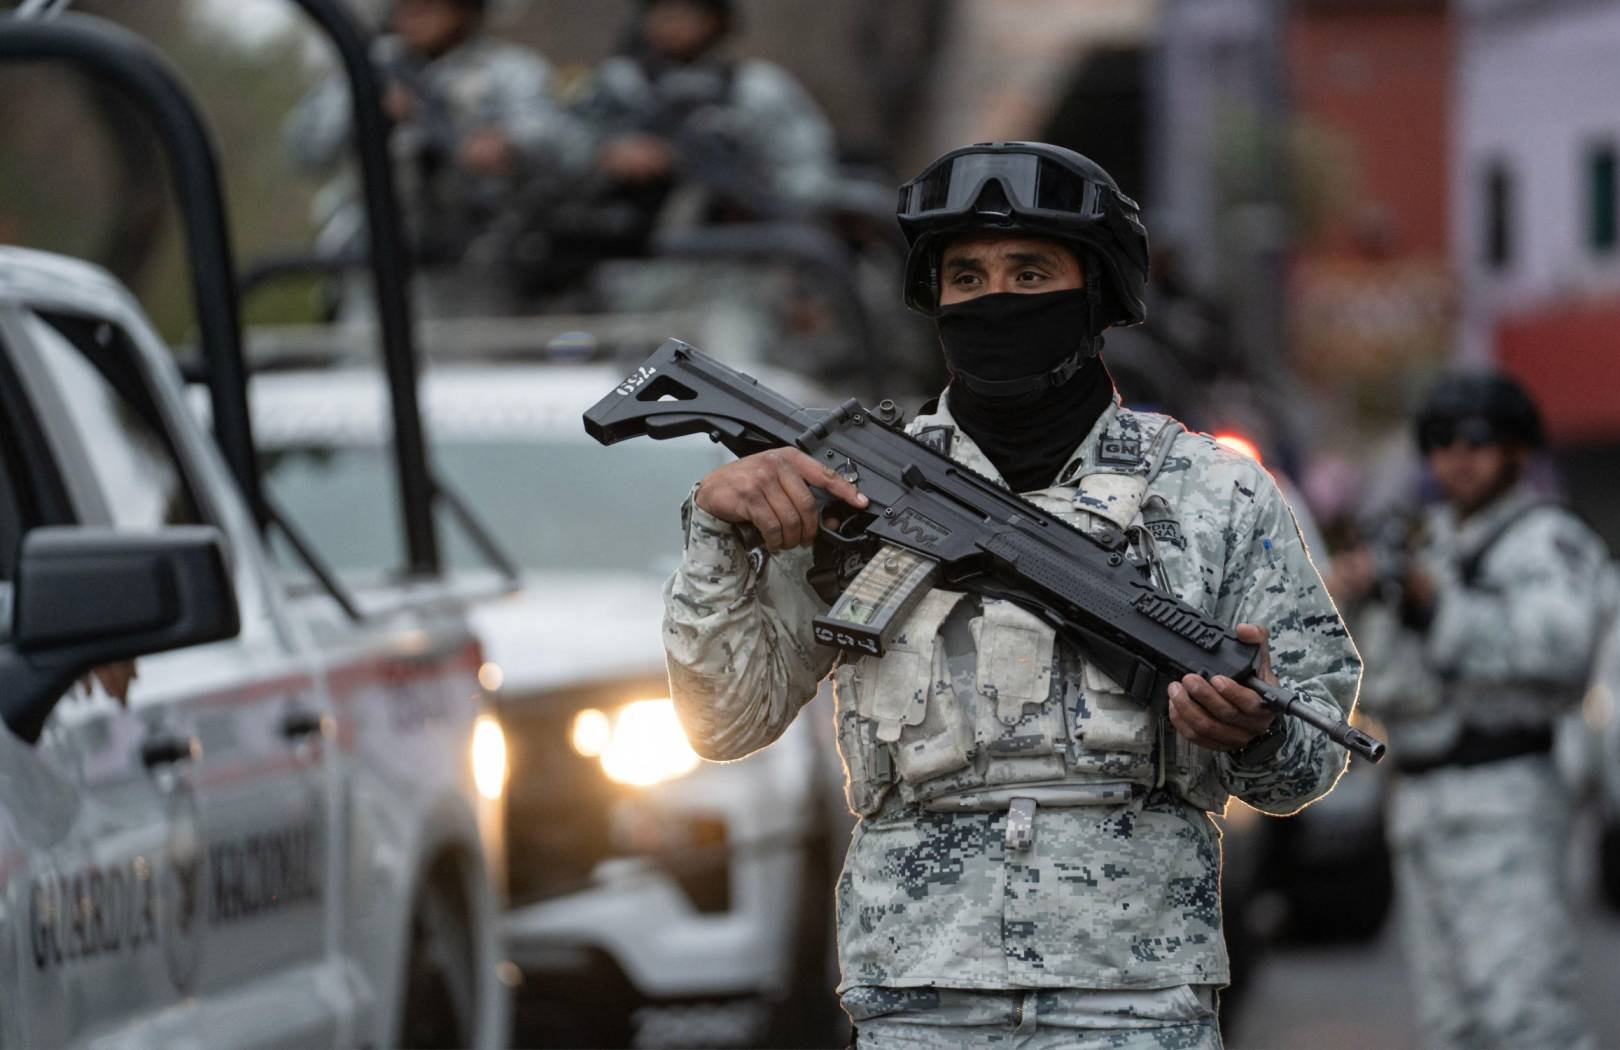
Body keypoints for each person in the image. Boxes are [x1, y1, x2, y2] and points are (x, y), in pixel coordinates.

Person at [660, 141, 1362, 1047]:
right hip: (918, 997)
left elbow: (1310, 760)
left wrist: (1256, 730)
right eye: (967, 277)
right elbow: (724, 722)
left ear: (1097, 293)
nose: (996, 300)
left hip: (1132, 998)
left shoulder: (1211, 492)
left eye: (1031, 271)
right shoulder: (858, 492)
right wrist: (718, 534)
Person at [1337, 371, 1604, 1049]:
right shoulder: (1423, 540)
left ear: (1518, 448)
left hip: (1502, 798)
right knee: (1450, 1026)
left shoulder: (1544, 540)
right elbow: (1374, 672)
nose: (1458, 453)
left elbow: (1564, 647)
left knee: (1526, 1020)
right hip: (1421, 803)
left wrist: (1437, 607)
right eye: (1441, 439)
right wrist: (1359, 593)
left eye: (1478, 438)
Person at [285, 0, 592, 317]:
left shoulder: (510, 70)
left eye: (430, 6)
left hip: (483, 269)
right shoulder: (363, 68)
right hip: (377, 270)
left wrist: (510, 144)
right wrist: (362, 108)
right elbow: (305, 149)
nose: (414, 14)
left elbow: (571, 148)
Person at [565, 0, 838, 235]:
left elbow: (809, 177)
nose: (670, 22)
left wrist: (747, 190)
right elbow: (561, 149)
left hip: (743, 249)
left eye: (685, 11)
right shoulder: (617, 84)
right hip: (629, 252)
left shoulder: (758, 89)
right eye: (662, 9)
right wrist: (609, 154)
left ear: (716, 20)